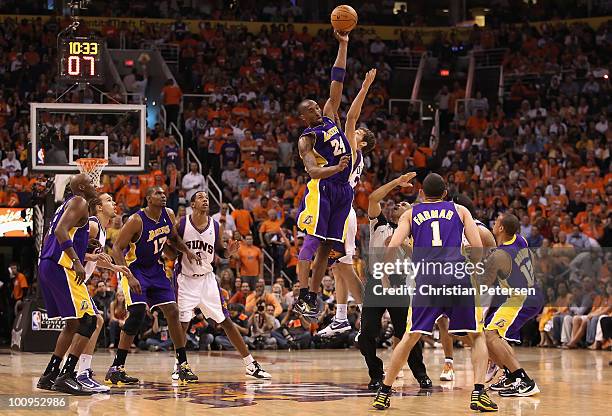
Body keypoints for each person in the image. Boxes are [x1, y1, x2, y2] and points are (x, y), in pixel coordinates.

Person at [372, 173, 497, 412]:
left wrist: (387, 270)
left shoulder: (410, 213)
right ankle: (479, 393)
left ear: (421, 193)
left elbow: (393, 244)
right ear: (446, 193)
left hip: (427, 280)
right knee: (476, 336)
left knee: (410, 337)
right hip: (456, 276)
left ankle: (384, 392)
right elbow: (478, 246)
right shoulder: (460, 210)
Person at [170, 191, 271, 379]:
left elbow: (220, 251)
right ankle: (179, 365)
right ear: (192, 204)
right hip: (185, 279)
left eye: (207, 198)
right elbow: (171, 246)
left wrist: (228, 252)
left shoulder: (215, 226)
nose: (205, 200)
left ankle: (250, 364)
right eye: (200, 197)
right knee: (182, 324)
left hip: (207, 280)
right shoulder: (182, 223)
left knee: (226, 321)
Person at [105, 186, 200, 385]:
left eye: (164, 193)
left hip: (156, 270)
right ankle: (116, 367)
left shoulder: (169, 214)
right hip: (135, 269)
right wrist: (129, 276)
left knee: (173, 311)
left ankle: (182, 365)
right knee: (138, 313)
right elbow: (116, 248)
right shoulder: (136, 220)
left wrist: (187, 251)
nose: (163, 195)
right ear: (148, 199)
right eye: (158, 193)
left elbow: (173, 239)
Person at [293, 30, 353, 320]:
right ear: (303, 117)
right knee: (313, 240)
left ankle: (313, 295)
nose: (317, 108)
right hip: (324, 189)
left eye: (317, 105)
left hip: (343, 190)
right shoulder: (307, 138)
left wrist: (343, 44)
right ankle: (302, 292)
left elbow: (337, 79)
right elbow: (313, 170)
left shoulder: (331, 115)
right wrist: (336, 168)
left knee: (329, 245)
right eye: (311, 109)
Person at [357, 173, 432, 391]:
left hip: (399, 283)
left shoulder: (416, 233)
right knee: (367, 333)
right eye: (397, 203)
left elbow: (419, 258)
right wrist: (396, 183)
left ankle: (421, 375)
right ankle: (376, 374)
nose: (398, 204)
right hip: (376, 283)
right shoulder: (379, 223)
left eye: (404, 203)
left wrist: (400, 243)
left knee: (408, 333)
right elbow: (372, 199)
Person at [318, 69, 377, 338]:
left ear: (362, 143)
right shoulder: (346, 148)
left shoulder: (353, 150)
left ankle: (369, 314)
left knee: (344, 266)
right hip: (338, 211)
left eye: (358, 132)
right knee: (337, 267)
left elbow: (351, 116)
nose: (354, 131)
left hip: (343, 214)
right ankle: (341, 318)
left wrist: (364, 87)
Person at [36, 174, 100, 395]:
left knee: (73, 324)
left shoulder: (66, 205)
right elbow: (59, 231)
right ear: (82, 187)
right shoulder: (80, 201)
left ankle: (50, 375)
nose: (95, 185)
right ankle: (67, 375)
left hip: (48, 264)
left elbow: (55, 235)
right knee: (89, 320)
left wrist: (83, 244)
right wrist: (75, 260)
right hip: (61, 266)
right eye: (91, 182)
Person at [481, 213, 544, 397]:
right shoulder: (520, 239)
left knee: (491, 335)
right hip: (530, 293)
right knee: (491, 335)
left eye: (497, 221)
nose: (493, 223)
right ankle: (510, 375)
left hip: (522, 299)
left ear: (501, 229)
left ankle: (523, 380)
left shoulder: (499, 255)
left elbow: (484, 284)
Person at [74, 193, 131, 392]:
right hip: (71, 277)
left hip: (79, 280)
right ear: (98, 207)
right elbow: (70, 249)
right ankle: (81, 373)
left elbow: (92, 258)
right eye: (109, 200)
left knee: (81, 325)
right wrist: (90, 255)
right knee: (95, 321)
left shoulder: (102, 230)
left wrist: (115, 268)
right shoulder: (92, 225)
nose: (114, 203)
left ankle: (73, 370)